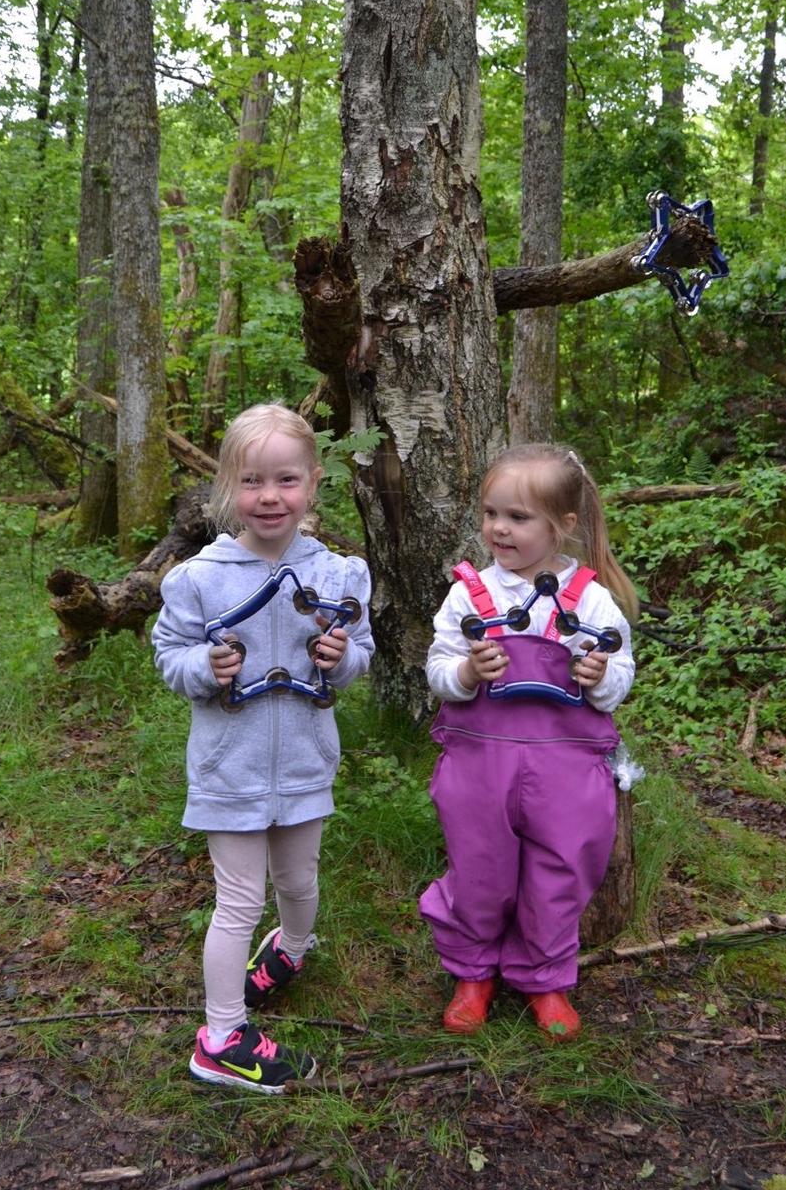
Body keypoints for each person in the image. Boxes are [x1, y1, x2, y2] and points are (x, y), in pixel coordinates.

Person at [152, 403, 374, 1092]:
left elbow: (358, 656)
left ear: (312, 483)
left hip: (307, 760)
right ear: (228, 488)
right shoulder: (201, 578)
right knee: (240, 899)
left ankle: (293, 949)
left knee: (300, 882)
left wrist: (339, 658)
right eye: (252, 482)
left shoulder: (336, 577)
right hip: (230, 769)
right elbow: (170, 655)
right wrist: (203, 671)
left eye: (285, 480)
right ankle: (221, 1036)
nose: (269, 497)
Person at [419, 443, 637, 1042]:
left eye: (518, 518)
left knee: (560, 870)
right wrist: (466, 673)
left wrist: (599, 677)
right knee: (480, 870)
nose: (499, 528)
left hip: (566, 772)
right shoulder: (468, 595)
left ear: (563, 525)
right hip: (480, 766)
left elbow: (620, 677)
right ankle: (473, 973)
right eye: (492, 513)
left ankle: (545, 978)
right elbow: (438, 668)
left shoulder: (590, 599)